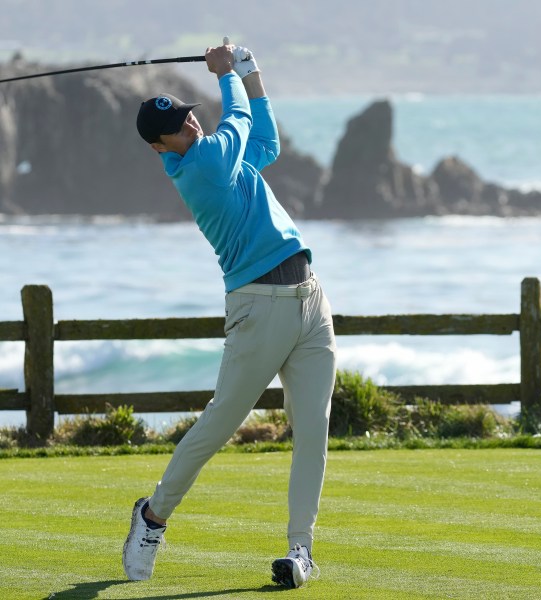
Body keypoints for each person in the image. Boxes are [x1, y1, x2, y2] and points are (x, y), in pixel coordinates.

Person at [122, 41, 337, 590]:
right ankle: (152, 516)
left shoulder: (220, 153)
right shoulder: (199, 168)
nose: (189, 121)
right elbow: (239, 118)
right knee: (220, 423)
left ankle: (301, 550)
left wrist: (252, 71)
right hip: (258, 308)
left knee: (312, 429)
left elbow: (265, 139)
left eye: (186, 112)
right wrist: (227, 75)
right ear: (159, 147)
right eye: (177, 123)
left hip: (310, 299)